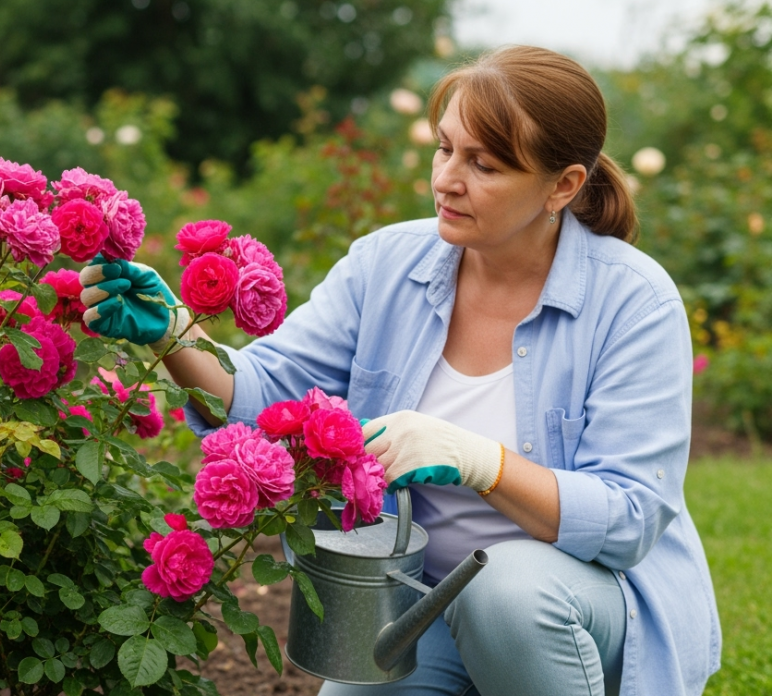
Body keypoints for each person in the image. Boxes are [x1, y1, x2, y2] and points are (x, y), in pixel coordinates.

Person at [79, 46, 720, 696]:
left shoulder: (634, 302)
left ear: (563, 185)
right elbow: (266, 399)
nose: (447, 179)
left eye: (484, 164)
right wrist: (175, 333)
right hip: (420, 603)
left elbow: (631, 516)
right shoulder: (386, 266)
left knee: (504, 591)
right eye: (445, 149)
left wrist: (482, 462)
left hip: (569, 609)